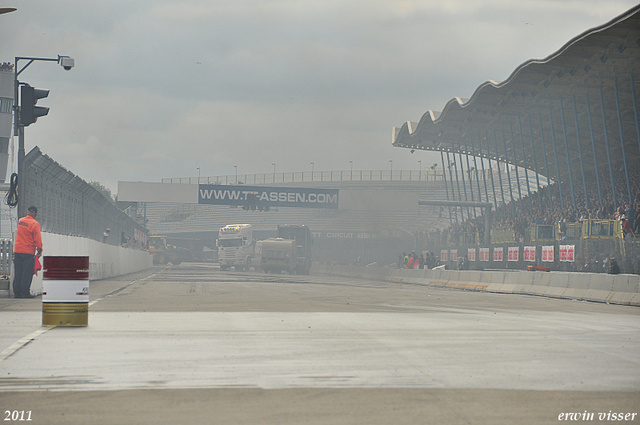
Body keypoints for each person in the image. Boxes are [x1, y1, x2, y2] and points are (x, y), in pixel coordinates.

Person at [12, 206, 43, 298]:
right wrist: (39, 249)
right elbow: (37, 238)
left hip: (18, 250)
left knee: (18, 272)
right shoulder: (35, 224)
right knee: (27, 273)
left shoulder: (20, 221)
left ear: (27, 212)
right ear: (35, 214)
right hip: (28, 252)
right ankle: (25, 292)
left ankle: (17, 293)